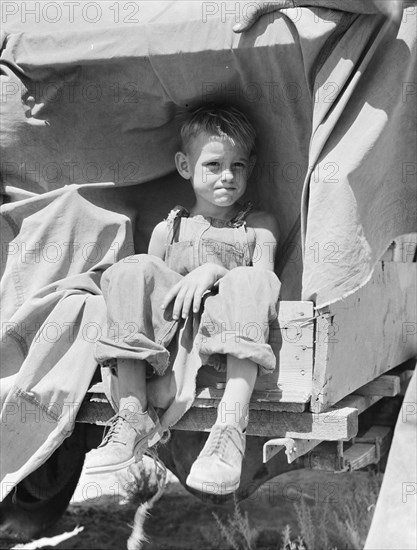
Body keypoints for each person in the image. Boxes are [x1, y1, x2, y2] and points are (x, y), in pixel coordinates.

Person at [85, 105, 281, 494]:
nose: (228, 175)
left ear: (251, 166)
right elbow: (148, 298)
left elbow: (268, 288)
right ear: (184, 165)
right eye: (213, 164)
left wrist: (212, 272)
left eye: (239, 165)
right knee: (130, 269)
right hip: (170, 352)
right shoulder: (166, 230)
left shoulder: (259, 227)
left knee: (251, 279)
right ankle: (133, 413)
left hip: (228, 350)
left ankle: (229, 429)